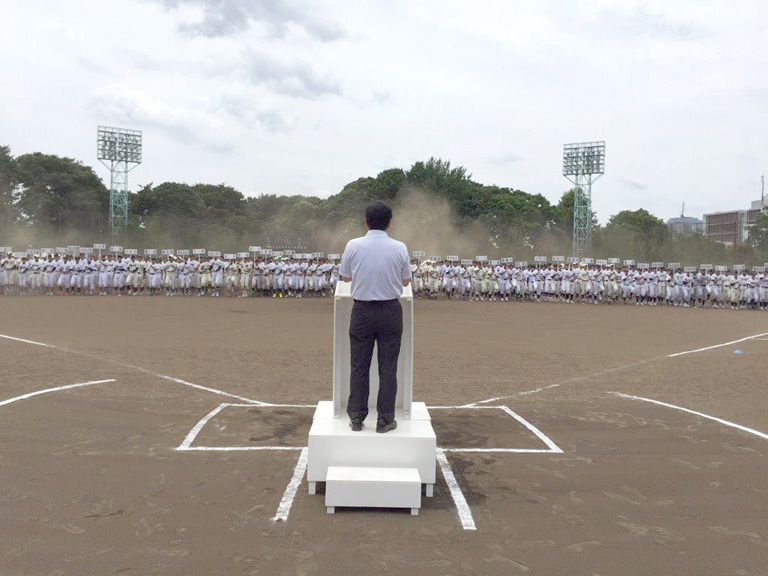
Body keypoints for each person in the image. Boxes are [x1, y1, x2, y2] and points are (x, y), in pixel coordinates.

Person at [339, 201, 411, 434]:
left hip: (362, 311)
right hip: (390, 311)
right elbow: (406, 281)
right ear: (389, 223)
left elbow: (345, 277)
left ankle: (357, 417)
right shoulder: (400, 247)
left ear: (366, 222)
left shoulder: (353, 245)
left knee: (359, 365)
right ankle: (385, 419)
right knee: (388, 367)